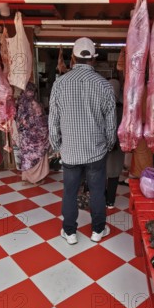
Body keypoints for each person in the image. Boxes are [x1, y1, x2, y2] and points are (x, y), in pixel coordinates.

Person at [49, 37, 116, 244]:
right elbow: (111, 123)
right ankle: (97, 231)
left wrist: (56, 146)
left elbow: (53, 120)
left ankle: (69, 233)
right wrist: (109, 144)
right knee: (97, 191)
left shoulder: (60, 84)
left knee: (69, 191)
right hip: (96, 151)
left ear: (72, 58)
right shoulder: (104, 86)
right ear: (93, 60)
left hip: (69, 151)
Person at [15, 81, 49, 184]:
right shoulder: (35, 104)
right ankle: (37, 179)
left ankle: (28, 178)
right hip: (36, 137)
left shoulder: (20, 103)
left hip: (25, 137)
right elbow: (40, 121)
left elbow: (18, 121)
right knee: (37, 154)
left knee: (27, 156)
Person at [106, 78, 125, 208]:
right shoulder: (125, 108)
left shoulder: (103, 105)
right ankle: (110, 201)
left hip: (104, 144)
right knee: (114, 173)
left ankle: (101, 198)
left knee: (101, 172)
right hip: (118, 145)